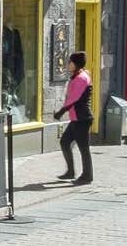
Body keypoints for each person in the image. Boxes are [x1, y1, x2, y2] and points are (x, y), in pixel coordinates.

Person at [54, 52, 94, 185]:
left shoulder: (81, 78)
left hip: (82, 118)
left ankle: (87, 176)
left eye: (70, 62)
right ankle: (70, 172)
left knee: (84, 148)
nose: (68, 64)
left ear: (76, 64)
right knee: (65, 142)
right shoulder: (77, 76)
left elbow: (73, 99)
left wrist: (60, 112)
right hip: (76, 118)